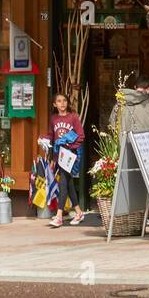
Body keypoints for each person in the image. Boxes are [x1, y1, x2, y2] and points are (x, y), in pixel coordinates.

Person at [48, 93, 84, 228]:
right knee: (68, 184)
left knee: (63, 182)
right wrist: (45, 143)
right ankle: (79, 212)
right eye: (58, 101)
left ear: (67, 103)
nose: (62, 103)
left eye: (64, 101)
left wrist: (69, 144)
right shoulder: (53, 119)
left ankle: (59, 216)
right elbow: (51, 136)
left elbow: (81, 135)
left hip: (71, 155)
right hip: (59, 156)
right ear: (54, 104)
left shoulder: (73, 117)